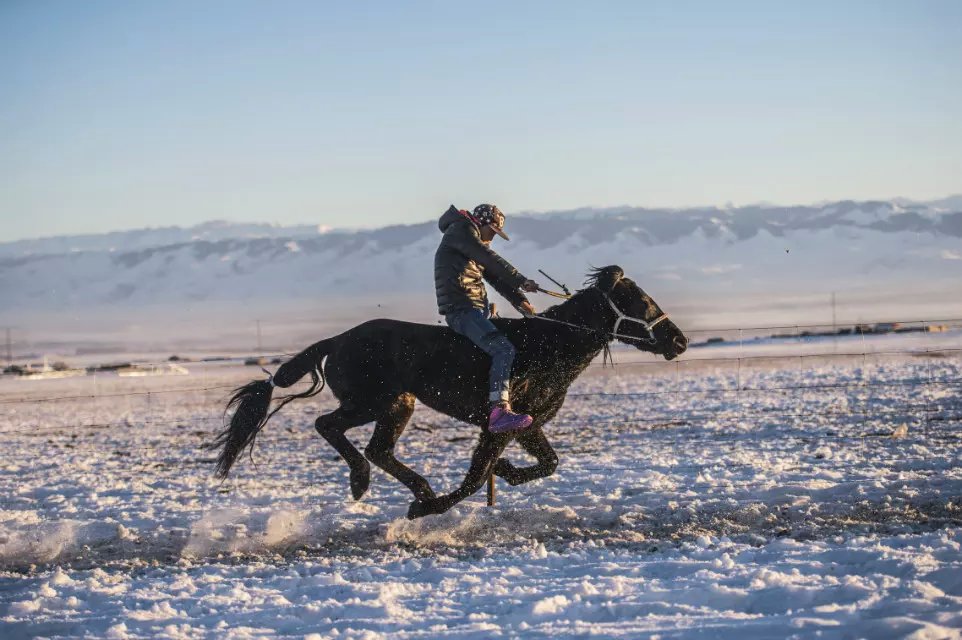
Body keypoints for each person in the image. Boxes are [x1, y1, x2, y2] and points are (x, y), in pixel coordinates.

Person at [434, 203, 540, 433]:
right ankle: (499, 410)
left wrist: (521, 302)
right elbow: (489, 258)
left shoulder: (467, 240)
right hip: (462, 309)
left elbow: (493, 274)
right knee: (503, 350)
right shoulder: (461, 232)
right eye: (492, 232)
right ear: (482, 224)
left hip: (474, 309)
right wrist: (521, 280)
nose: (492, 238)